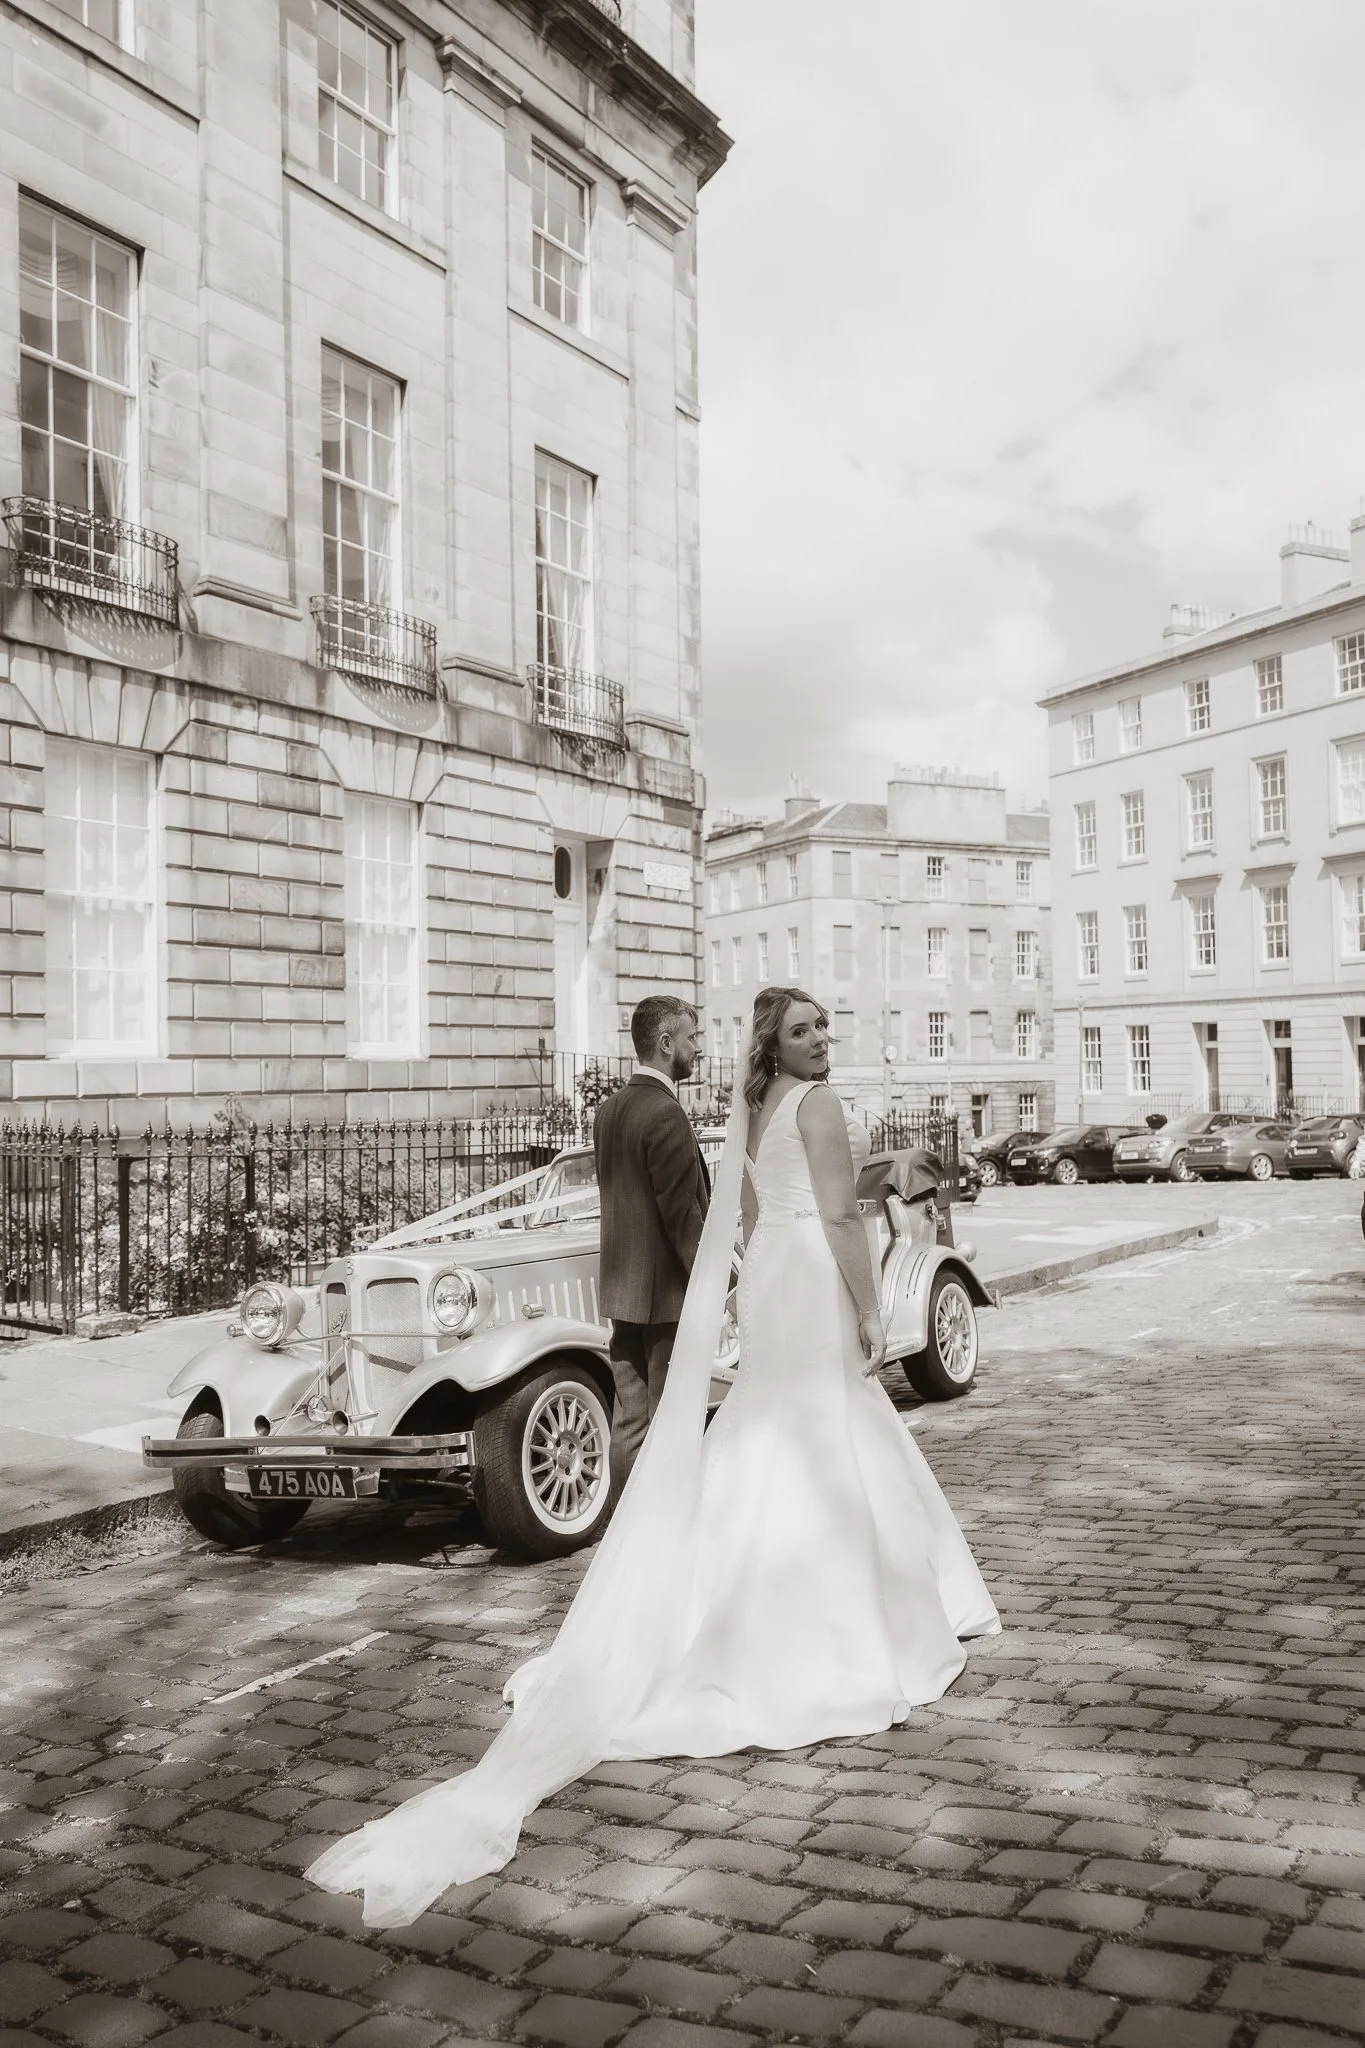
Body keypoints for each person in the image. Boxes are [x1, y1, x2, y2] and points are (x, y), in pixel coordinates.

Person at [307, 987, 998, 1927]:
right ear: (774, 1044)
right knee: (826, 1418)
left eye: (823, 1027)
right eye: (802, 1030)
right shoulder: (819, 1103)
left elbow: (742, 1214)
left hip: (770, 1277)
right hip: (808, 1275)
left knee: (772, 1423)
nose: (821, 1040)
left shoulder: (752, 1104)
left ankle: (711, 1585)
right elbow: (842, 1218)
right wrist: (871, 1308)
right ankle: (861, 1615)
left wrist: (747, 1281)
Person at [593, 995, 710, 1493]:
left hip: (624, 1296)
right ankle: (668, 1521)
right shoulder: (665, 1113)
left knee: (630, 1422)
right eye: (691, 1038)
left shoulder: (608, 1111)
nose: (697, 1048)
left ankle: (626, 1526)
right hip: (667, 1300)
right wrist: (717, 1284)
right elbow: (682, 1217)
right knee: (671, 1420)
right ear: (665, 1043)